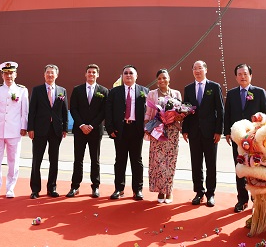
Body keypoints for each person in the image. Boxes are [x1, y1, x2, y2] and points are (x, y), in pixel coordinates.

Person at [224, 63, 266, 212]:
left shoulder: (260, 92)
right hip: (238, 139)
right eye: (239, 74)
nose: (242, 77)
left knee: (256, 169)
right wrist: (227, 132)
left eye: (245, 74)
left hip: (255, 140)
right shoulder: (231, 94)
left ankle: (256, 199)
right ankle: (242, 200)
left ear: (250, 75)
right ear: (236, 77)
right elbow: (227, 114)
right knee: (240, 169)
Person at [182, 60, 224, 207]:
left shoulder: (214, 87)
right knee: (196, 164)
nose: (197, 71)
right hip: (194, 132)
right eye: (195, 68)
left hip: (210, 133)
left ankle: (210, 193)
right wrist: (185, 130)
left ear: (206, 70)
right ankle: (199, 192)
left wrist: (219, 131)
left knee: (211, 164)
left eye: (200, 68)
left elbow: (220, 110)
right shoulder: (188, 88)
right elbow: (185, 110)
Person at [0, 61, 29, 199]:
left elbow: (24, 111)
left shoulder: (22, 90)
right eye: (6, 73)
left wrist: (24, 126)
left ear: (16, 74)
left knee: (13, 161)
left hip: (14, 131)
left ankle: (10, 188)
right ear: (2, 75)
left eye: (11, 73)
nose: (8, 76)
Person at [105, 65, 148, 200]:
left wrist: (147, 128)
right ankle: (119, 189)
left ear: (136, 76)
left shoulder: (144, 91)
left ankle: (137, 190)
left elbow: (149, 111)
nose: (128, 75)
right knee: (120, 160)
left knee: (137, 161)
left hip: (136, 129)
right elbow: (108, 111)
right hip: (120, 130)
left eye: (131, 73)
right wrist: (110, 129)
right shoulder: (114, 92)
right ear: (122, 76)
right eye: (126, 73)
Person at [66, 64, 109, 198]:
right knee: (78, 159)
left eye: (94, 72)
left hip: (95, 130)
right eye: (89, 72)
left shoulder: (104, 91)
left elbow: (104, 111)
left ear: (98, 75)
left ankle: (95, 186)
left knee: (95, 159)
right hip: (80, 130)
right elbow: (73, 108)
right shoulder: (77, 90)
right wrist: (82, 125)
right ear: (85, 74)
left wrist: (91, 125)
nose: (91, 74)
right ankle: (75, 186)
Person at [27, 64, 69, 198]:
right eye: (48, 73)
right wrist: (30, 128)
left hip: (56, 130)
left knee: (54, 160)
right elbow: (32, 110)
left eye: (52, 73)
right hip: (39, 130)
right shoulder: (37, 90)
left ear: (57, 75)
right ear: (44, 75)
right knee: (37, 160)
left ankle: (52, 188)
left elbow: (64, 111)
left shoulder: (62, 91)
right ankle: (35, 190)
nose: (50, 75)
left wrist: (65, 128)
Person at [145, 69, 182, 204]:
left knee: (170, 161)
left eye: (164, 78)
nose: (162, 80)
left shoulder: (176, 93)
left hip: (172, 132)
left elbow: (180, 112)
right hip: (157, 131)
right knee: (158, 162)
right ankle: (160, 190)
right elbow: (148, 113)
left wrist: (174, 117)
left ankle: (169, 190)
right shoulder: (152, 94)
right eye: (159, 78)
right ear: (157, 80)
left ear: (169, 79)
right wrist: (147, 127)